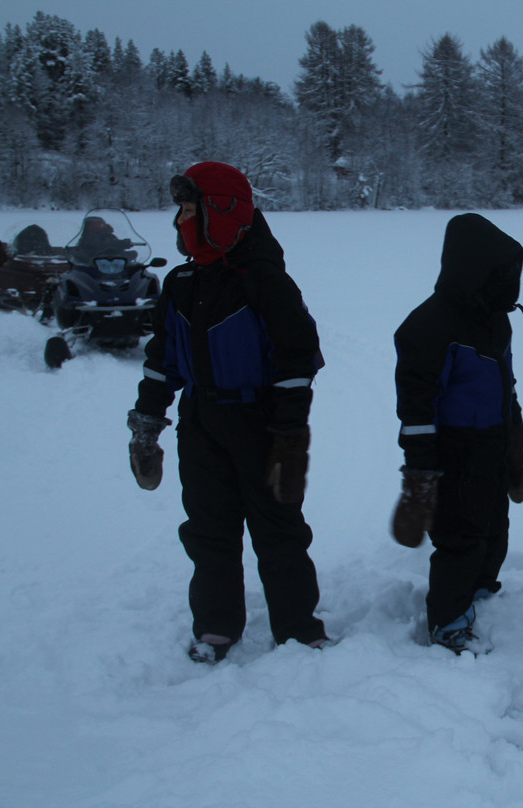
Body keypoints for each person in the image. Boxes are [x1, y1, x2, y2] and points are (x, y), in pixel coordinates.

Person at [126, 161, 328, 663]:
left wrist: (288, 430)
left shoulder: (264, 282)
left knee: (278, 528)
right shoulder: (180, 284)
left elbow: (298, 358)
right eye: (179, 211)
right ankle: (216, 626)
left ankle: (299, 629)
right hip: (199, 425)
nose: (179, 221)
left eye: (189, 210)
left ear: (221, 213)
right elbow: (162, 360)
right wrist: (147, 423)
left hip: (259, 424)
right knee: (208, 528)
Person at [391, 213, 523, 655]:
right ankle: (448, 620)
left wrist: (516, 437)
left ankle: (480, 591)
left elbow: (506, 382)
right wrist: (420, 474)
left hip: (491, 441)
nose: (509, 285)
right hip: (453, 449)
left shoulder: (493, 319)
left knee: (494, 524)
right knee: (460, 535)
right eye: (502, 275)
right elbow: (416, 407)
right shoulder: (428, 327)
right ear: (474, 270)